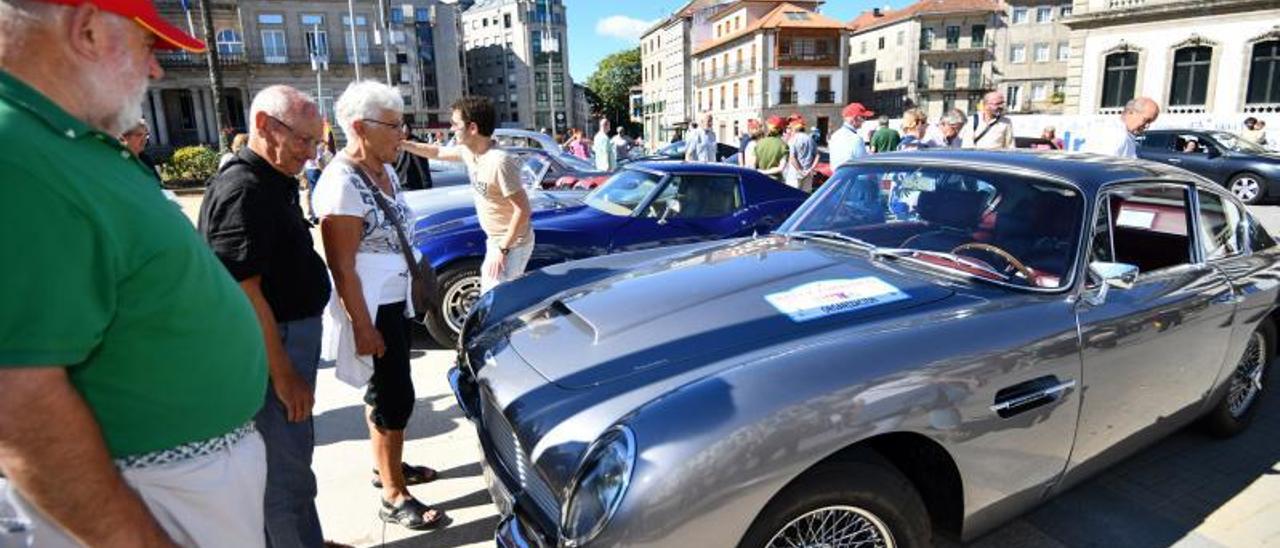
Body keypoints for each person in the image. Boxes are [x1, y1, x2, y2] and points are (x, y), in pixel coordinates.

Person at [0, 2, 269, 547]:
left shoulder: (62, 141)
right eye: (149, 47)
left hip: (177, 486)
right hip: (149, 497)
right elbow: (18, 399)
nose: (156, 71)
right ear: (89, 30)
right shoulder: (17, 154)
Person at [198, 85, 332, 548]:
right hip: (273, 348)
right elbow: (242, 290)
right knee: (283, 478)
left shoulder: (270, 178)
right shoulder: (244, 189)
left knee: (292, 467)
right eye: (302, 140)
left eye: (316, 142)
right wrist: (283, 374)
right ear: (263, 127)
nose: (310, 153)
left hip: (287, 340)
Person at [313, 81, 448, 531]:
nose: (401, 134)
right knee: (393, 396)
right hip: (372, 307)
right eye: (393, 126)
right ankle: (393, 494)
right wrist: (362, 326)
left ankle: (387, 467)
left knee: (392, 393)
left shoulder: (383, 170)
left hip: (394, 302)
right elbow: (343, 267)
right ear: (359, 128)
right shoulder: (341, 181)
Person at [400, 96, 534, 292]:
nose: (451, 129)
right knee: (493, 295)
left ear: (472, 128)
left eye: (455, 124)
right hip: (495, 240)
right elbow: (437, 152)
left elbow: (523, 210)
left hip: (513, 244)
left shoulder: (499, 162)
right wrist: (403, 144)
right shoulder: (469, 152)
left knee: (499, 299)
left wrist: (503, 249)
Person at [1082, 96, 1160, 158]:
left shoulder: (1123, 133)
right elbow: (1104, 168)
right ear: (1131, 112)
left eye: (1150, 122)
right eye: (1146, 120)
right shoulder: (1117, 135)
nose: (1147, 125)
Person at [829, 102, 874, 167]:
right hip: (852, 175)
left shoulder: (834, 136)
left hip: (837, 175)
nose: (864, 121)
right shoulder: (856, 139)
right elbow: (863, 165)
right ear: (855, 118)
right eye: (863, 117)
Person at [394, 125, 434, 191]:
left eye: (406, 132)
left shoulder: (415, 144)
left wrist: (427, 184)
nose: (404, 134)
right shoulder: (396, 143)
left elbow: (422, 166)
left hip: (413, 184)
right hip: (400, 183)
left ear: (410, 131)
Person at [784, 115, 818, 192]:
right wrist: (811, 168)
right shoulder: (810, 139)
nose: (789, 128)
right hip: (808, 173)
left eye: (790, 126)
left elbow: (792, 158)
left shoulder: (793, 139)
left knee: (793, 197)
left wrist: (800, 171)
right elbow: (817, 155)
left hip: (795, 174)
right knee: (805, 198)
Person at [754, 116, 789, 181]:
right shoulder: (784, 146)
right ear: (781, 130)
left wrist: (761, 172)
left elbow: (753, 165)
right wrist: (765, 172)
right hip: (775, 182)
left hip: (760, 179)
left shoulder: (759, 143)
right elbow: (781, 168)